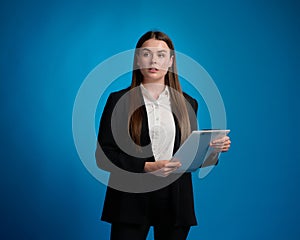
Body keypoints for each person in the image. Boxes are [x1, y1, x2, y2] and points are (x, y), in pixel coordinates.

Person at [95, 31, 231, 240]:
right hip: (130, 200)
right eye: (146, 54)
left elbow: (189, 157)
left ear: (171, 61)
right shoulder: (118, 101)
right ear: (137, 59)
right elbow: (103, 157)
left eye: (161, 55)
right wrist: (146, 166)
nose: (153, 61)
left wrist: (212, 151)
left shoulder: (189, 103)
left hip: (175, 201)